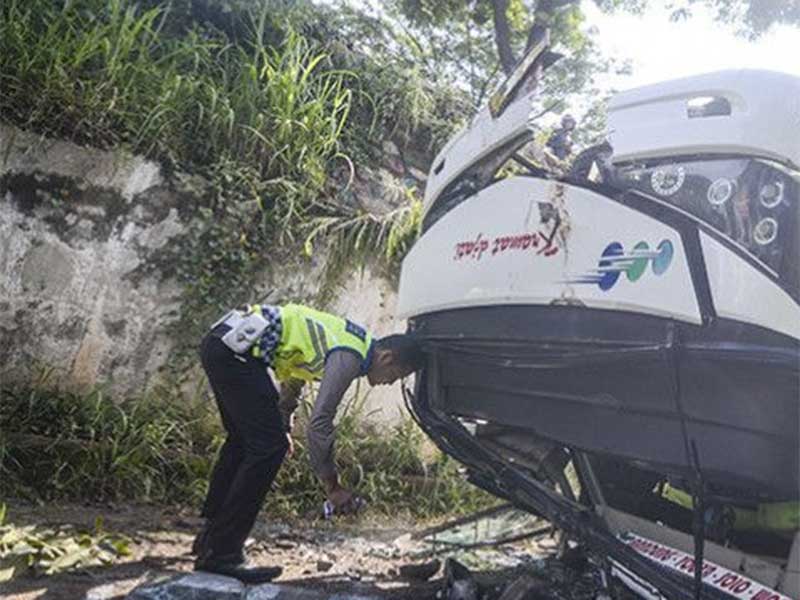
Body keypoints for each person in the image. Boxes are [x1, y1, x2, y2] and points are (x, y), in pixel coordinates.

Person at [193, 302, 424, 582]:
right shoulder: (350, 355)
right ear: (387, 358)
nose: (390, 383)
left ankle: (210, 538)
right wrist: (333, 487)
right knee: (268, 449)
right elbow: (320, 424)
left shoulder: (352, 341)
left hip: (223, 343)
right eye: (395, 376)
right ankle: (223, 553)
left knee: (243, 443)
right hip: (236, 352)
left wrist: (283, 424)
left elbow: (294, 372)